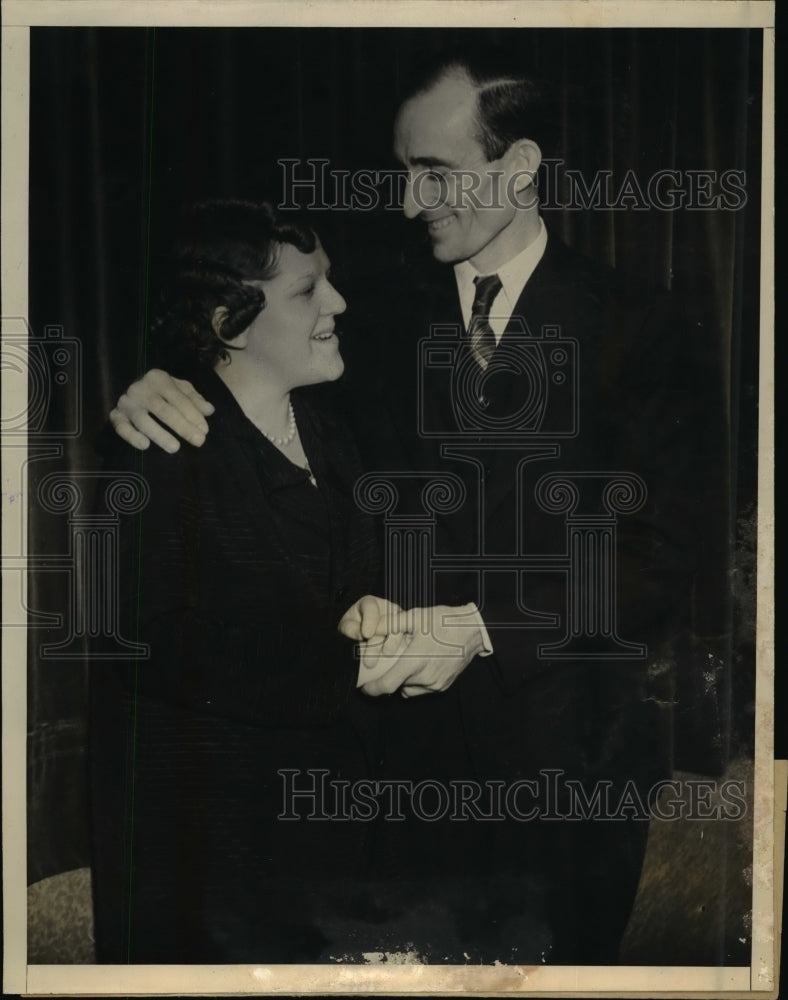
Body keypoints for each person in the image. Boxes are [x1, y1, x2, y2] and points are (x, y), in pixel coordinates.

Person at [106, 51, 710, 963]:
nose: (406, 199)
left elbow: (663, 552)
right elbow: (249, 372)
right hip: (393, 773)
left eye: (434, 172)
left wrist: (480, 626)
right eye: (402, 172)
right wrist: (156, 387)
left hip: (569, 768)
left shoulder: (644, 325)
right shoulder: (370, 318)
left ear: (520, 168)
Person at [88, 200, 382, 964]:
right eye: (308, 290)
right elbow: (152, 639)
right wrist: (353, 664)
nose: (339, 303)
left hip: (318, 828)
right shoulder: (162, 446)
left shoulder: (331, 430)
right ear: (230, 322)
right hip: (209, 855)